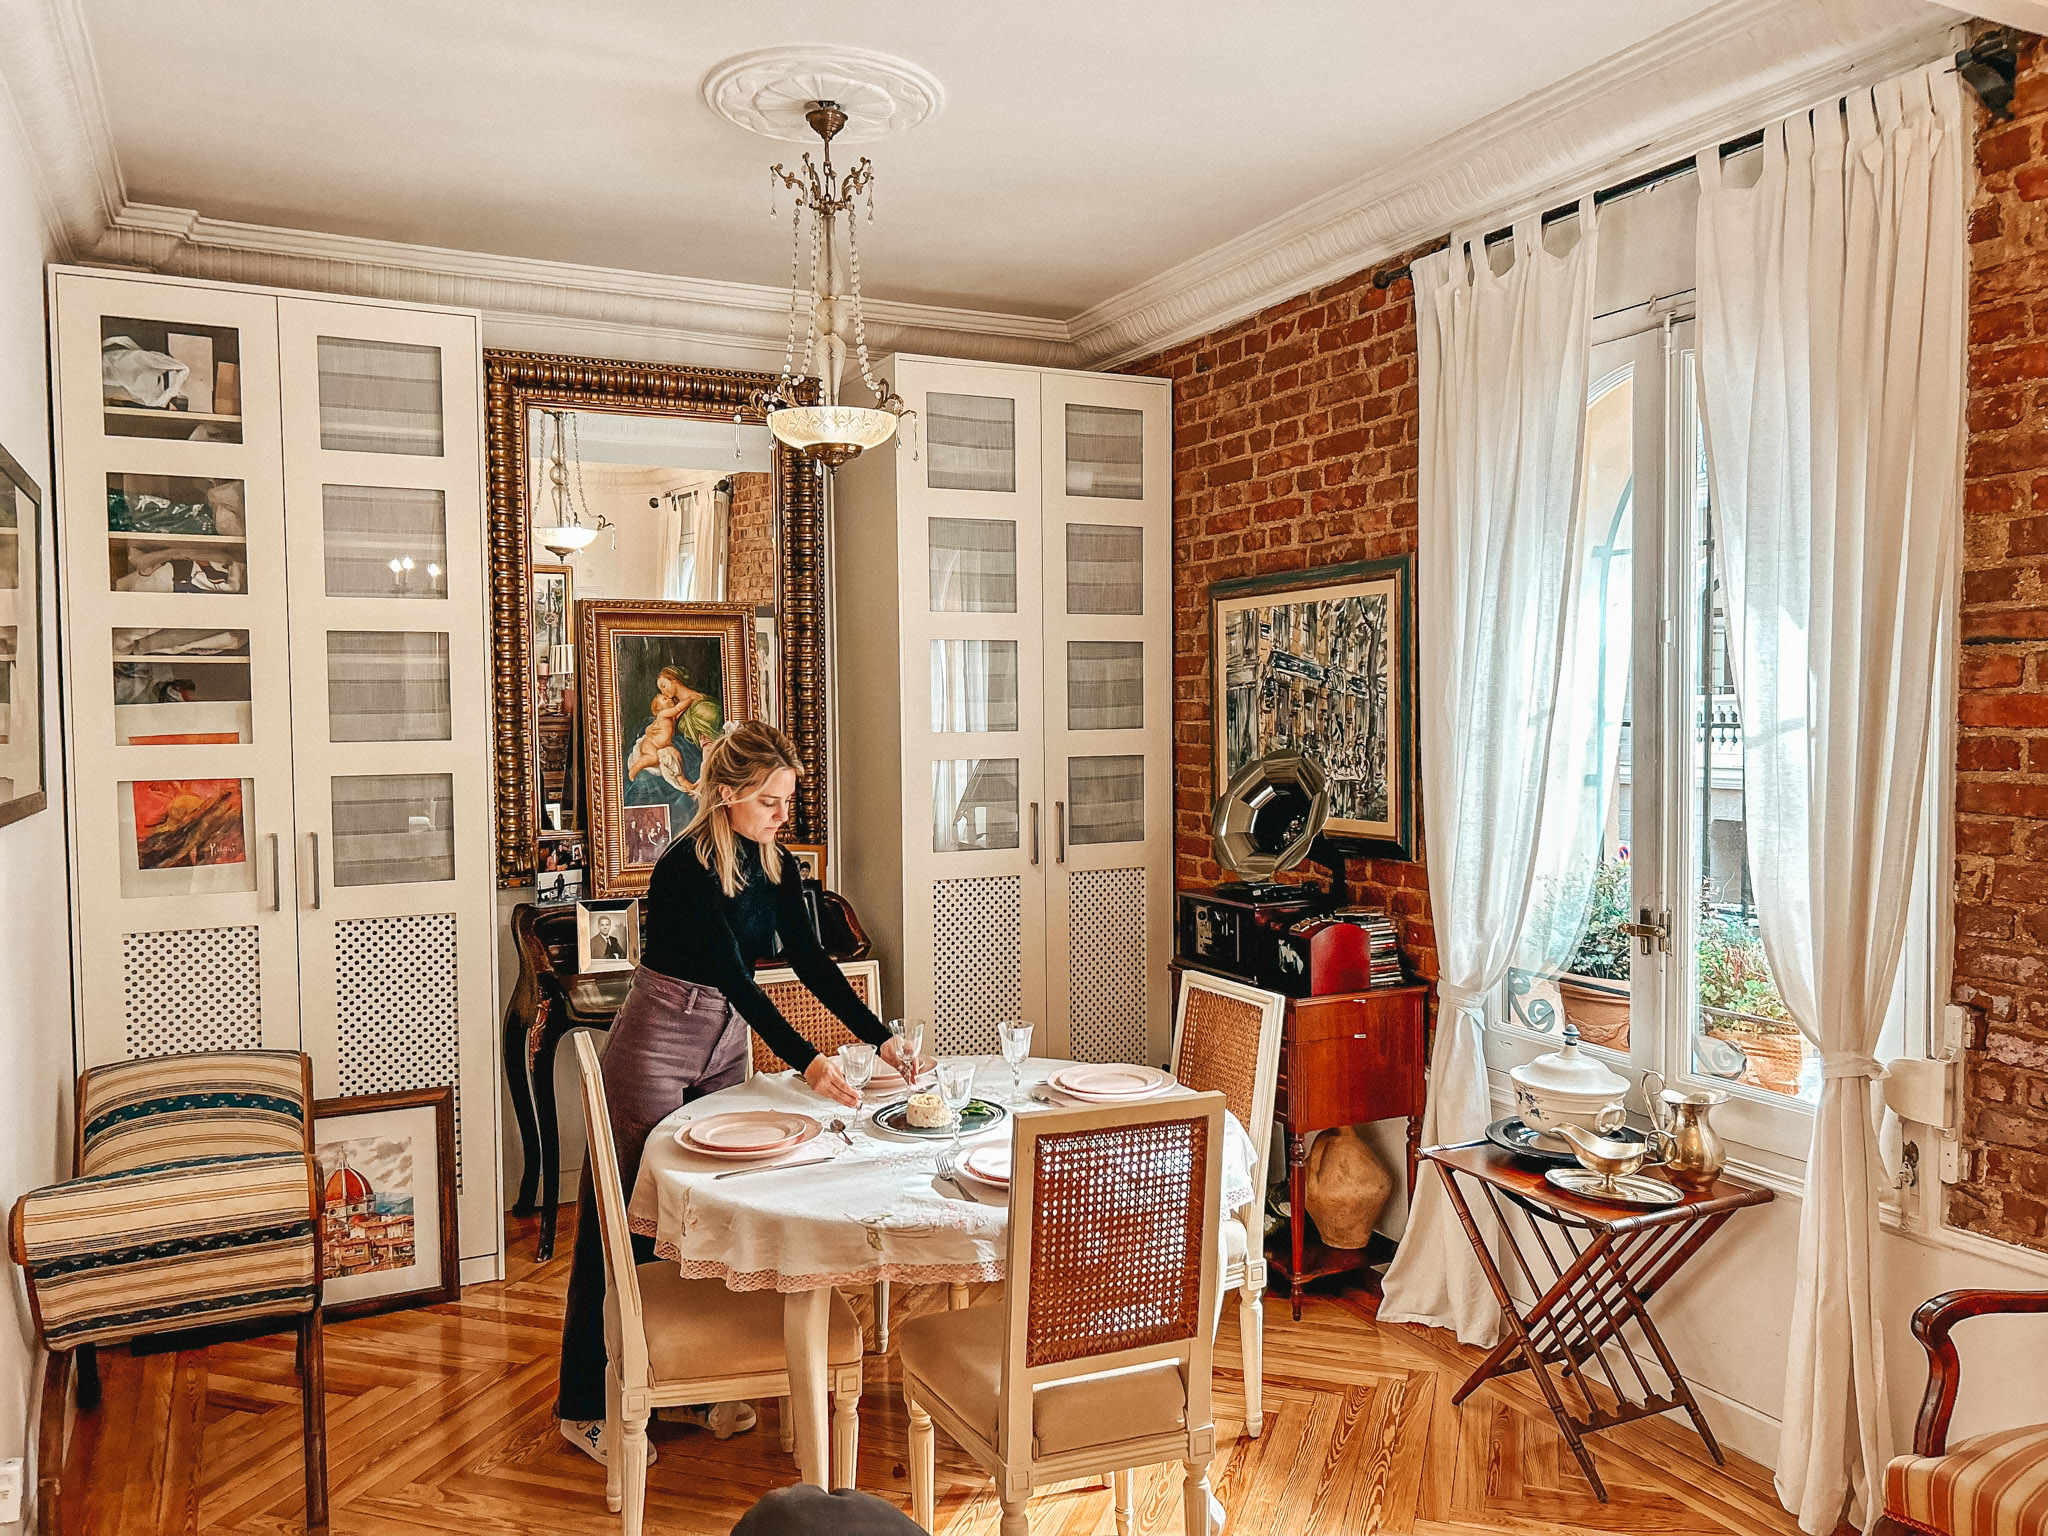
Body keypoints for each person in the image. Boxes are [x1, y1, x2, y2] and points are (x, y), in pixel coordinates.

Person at [556, 720, 917, 1467]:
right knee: (622, 1217)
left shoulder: (775, 862)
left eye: (788, 802)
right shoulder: (684, 867)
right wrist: (807, 1061)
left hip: (721, 1042)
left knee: (698, 1210)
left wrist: (880, 1036)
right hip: (657, 1039)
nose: (784, 816)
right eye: (771, 802)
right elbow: (732, 975)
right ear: (728, 795)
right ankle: (585, 1405)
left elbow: (814, 961)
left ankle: (678, 1386)